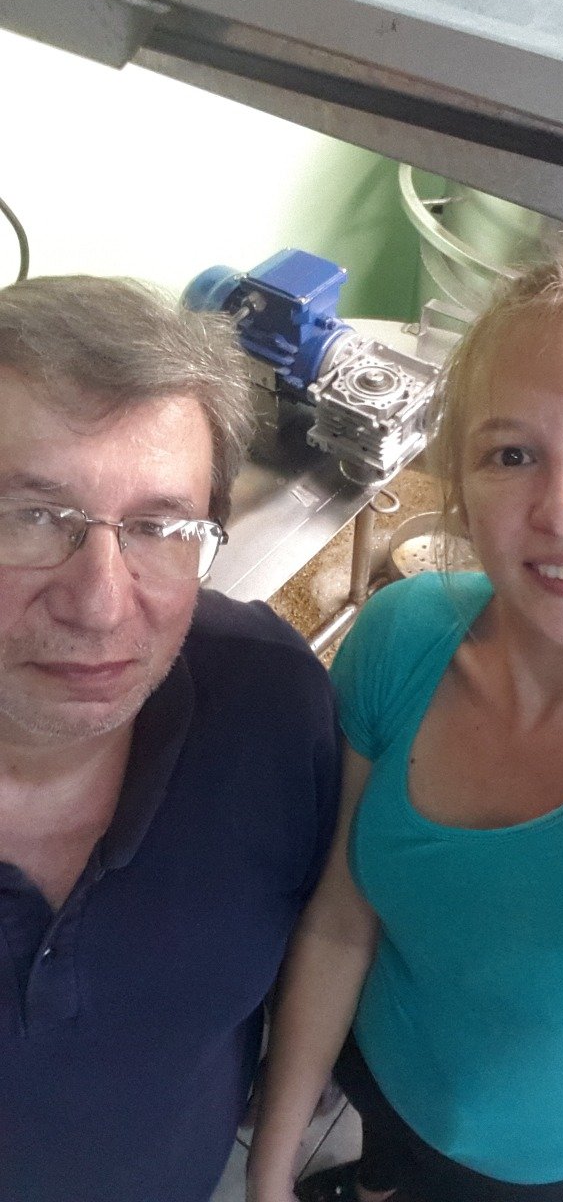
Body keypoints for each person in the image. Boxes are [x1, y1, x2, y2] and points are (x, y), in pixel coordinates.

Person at [247, 250, 563, 1202]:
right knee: (383, 1173)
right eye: (512, 454)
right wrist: (268, 1176)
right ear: (458, 493)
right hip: (377, 1058)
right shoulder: (403, 637)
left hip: (524, 1164)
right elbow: (342, 919)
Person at [0, 275, 340, 1202]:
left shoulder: (271, 706)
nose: (101, 604)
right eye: (31, 517)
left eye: (159, 527)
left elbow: (327, 937)